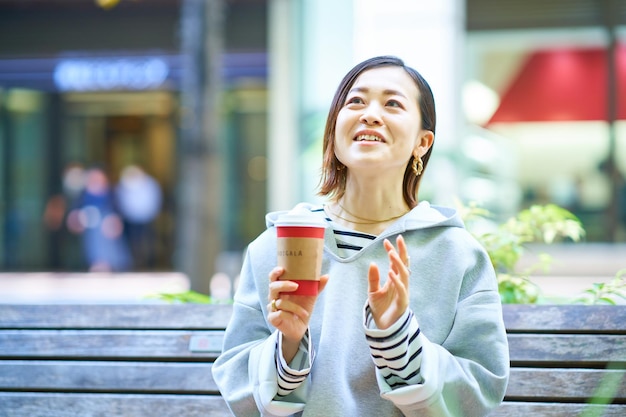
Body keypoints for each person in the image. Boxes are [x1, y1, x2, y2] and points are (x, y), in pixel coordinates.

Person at [212, 55, 510, 416]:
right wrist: (288, 343)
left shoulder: (458, 254)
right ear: (335, 132)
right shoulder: (276, 247)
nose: (369, 113)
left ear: (422, 142)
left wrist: (399, 336)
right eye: (355, 101)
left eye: (392, 103)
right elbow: (239, 389)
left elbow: (479, 395)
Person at [115, 164, 163, 270]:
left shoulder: (150, 184)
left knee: (148, 242)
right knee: (133, 242)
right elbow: (121, 201)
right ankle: (135, 262)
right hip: (130, 220)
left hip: (147, 218)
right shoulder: (124, 184)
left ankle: (149, 263)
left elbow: (155, 200)